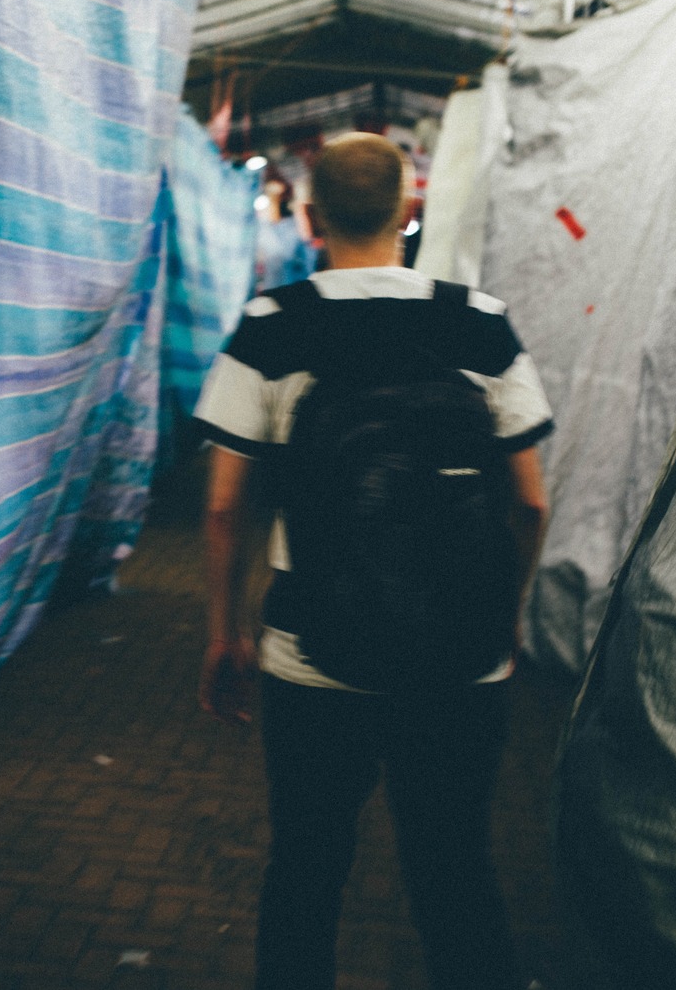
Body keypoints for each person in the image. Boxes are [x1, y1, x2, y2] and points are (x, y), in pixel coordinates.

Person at [192, 132, 553, 990]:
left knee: (308, 869)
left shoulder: (274, 327)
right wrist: (502, 610)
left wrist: (225, 634)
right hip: (462, 662)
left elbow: (222, 506)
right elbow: (530, 499)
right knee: (455, 868)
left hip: (312, 656)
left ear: (310, 218)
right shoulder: (480, 320)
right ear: (410, 210)